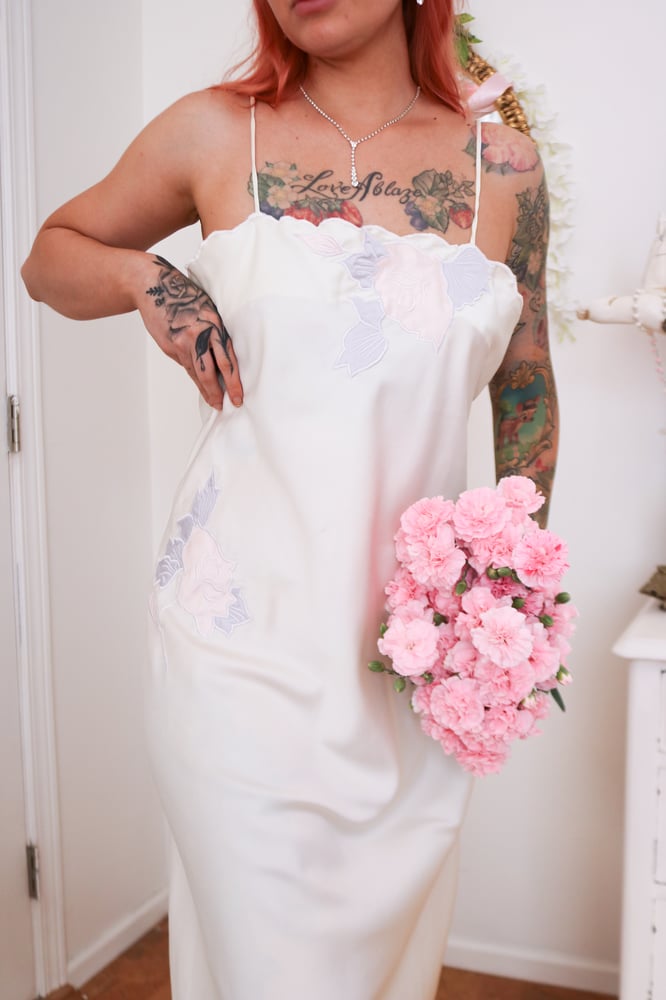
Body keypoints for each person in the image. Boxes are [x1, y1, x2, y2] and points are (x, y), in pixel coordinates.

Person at [22, 1, 559, 996]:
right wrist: (145, 277)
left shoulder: (505, 168)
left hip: (407, 667)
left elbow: (525, 387)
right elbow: (47, 258)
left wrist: (508, 606)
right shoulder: (213, 131)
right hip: (236, 651)